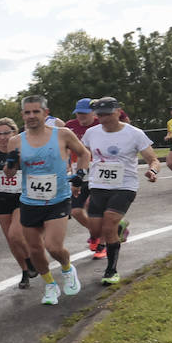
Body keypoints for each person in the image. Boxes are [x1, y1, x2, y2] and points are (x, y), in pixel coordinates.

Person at [16, 96, 90, 305]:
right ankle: (50, 285)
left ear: (45, 113)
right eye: (27, 112)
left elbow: (84, 154)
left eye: (35, 111)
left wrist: (80, 176)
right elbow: (10, 172)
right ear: (22, 115)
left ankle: (67, 268)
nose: (31, 116)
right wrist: (10, 163)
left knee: (53, 246)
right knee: (35, 250)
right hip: (30, 201)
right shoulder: (17, 140)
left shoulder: (63, 134)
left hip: (58, 198)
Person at [80, 97, 161, 285]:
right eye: (99, 114)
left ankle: (111, 270)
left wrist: (153, 171)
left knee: (108, 227)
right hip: (98, 184)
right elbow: (84, 154)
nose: (103, 118)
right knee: (95, 230)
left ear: (118, 111)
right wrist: (78, 174)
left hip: (125, 185)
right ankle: (120, 225)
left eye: (107, 113)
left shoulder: (135, 134)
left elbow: (153, 159)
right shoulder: (91, 133)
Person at [0, 118, 37, 289]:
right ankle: (25, 271)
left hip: (23, 199)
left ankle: (31, 262)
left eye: (6, 133)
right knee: (12, 242)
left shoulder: (24, 151)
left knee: (15, 235)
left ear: (15, 133)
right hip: (2, 200)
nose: (2, 137)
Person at [64, 98, 105, 259]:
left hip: (98, 170)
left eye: (84, 113)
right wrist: (66, 163)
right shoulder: (70, 126)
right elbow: (65, 147)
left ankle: (103, 243)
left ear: (93, 113)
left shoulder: (101, 124)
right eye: (78, 113)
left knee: (93, 207)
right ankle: (97, 234)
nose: (81, 116)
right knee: (75, 211)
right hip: (78, 171)